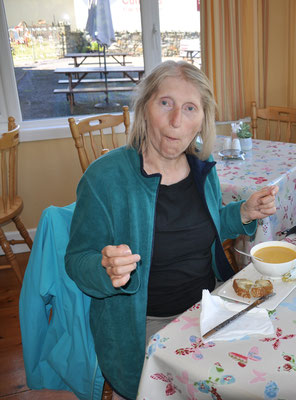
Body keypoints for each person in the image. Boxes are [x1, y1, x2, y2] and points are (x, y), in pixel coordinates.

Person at [65, 60, 278, 399]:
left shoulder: (202, 170)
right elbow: (77, 259)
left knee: (264, 372)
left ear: (201, 120)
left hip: (208, 307)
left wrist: (243, 213)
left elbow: (206, 227)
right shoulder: (104, 178)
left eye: (190, 108)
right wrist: (104, 268)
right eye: (165, 103)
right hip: (142, 322)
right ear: (145, 107)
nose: (176, 120)